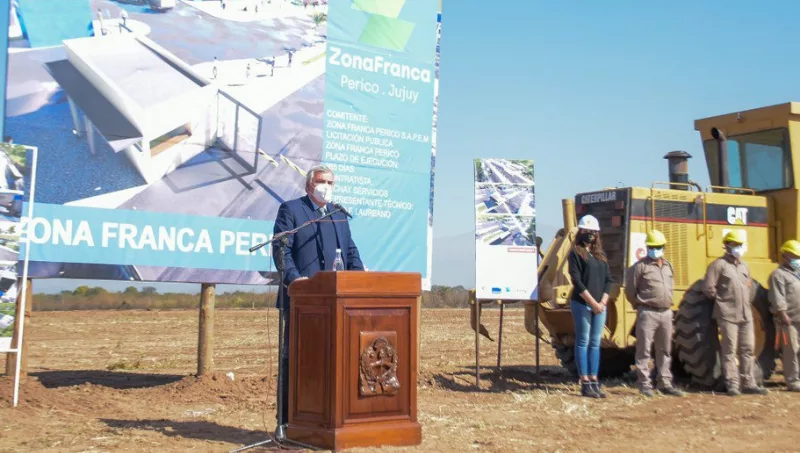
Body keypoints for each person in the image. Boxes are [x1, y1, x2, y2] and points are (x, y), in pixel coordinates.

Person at [271, 165, 365, 424]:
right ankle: (289, 422)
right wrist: (295, 280)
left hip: (337, 304)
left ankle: (327, 419)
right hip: (302, 302)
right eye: (322, 181)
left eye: (331, 183)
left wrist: (360, 278)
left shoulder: (338, 214)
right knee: (297, 359)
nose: (326, 186)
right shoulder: (292, 210)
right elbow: (281, 249)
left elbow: (351, 252)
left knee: (333, 360)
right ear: (309, 185)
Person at [702, 230, 768, 396]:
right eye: (735, 244)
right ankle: (732, 384)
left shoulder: (744, 266)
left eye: (740, 244)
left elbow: (748, 286)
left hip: (746, 315)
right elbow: (708, 288)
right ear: (727, 246)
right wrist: (722, 301)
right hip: (727, 315)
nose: (738, 247)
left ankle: (748, 383)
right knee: (729, 350)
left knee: (747, 349)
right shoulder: (718, 265)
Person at [625, 230, 685, 397]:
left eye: (658, 247)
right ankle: (644, 384)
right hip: (647, 312)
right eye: (652, 247)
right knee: (644, 350)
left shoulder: (668, 266)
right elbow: (630, 291)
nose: (655, 250)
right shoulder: (640, 267)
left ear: (664, 247)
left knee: (665, 349)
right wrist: (639, 305)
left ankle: (664, 382)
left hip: (666, 313)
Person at [568, 214, 613, 398]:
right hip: (582, 304)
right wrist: (592, 303)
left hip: (600, 306)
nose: (590, 234)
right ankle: (585, 382)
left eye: (593, 231)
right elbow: (577, 281)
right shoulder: (576, 253)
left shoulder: (600, 256)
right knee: (583, 341)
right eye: (587, 231)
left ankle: (594, 380)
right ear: (581, 232)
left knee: (595, 343)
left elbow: (609, 280)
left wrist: (602, 302)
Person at [768, 239, 800, 392]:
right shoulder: (778, 275)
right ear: (785, 256)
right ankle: (793, 381)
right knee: (791, 351)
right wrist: (783, 315)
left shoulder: (797, 274)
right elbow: (777, 297)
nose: (797, 259)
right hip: (789, 321)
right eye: (794, 256)